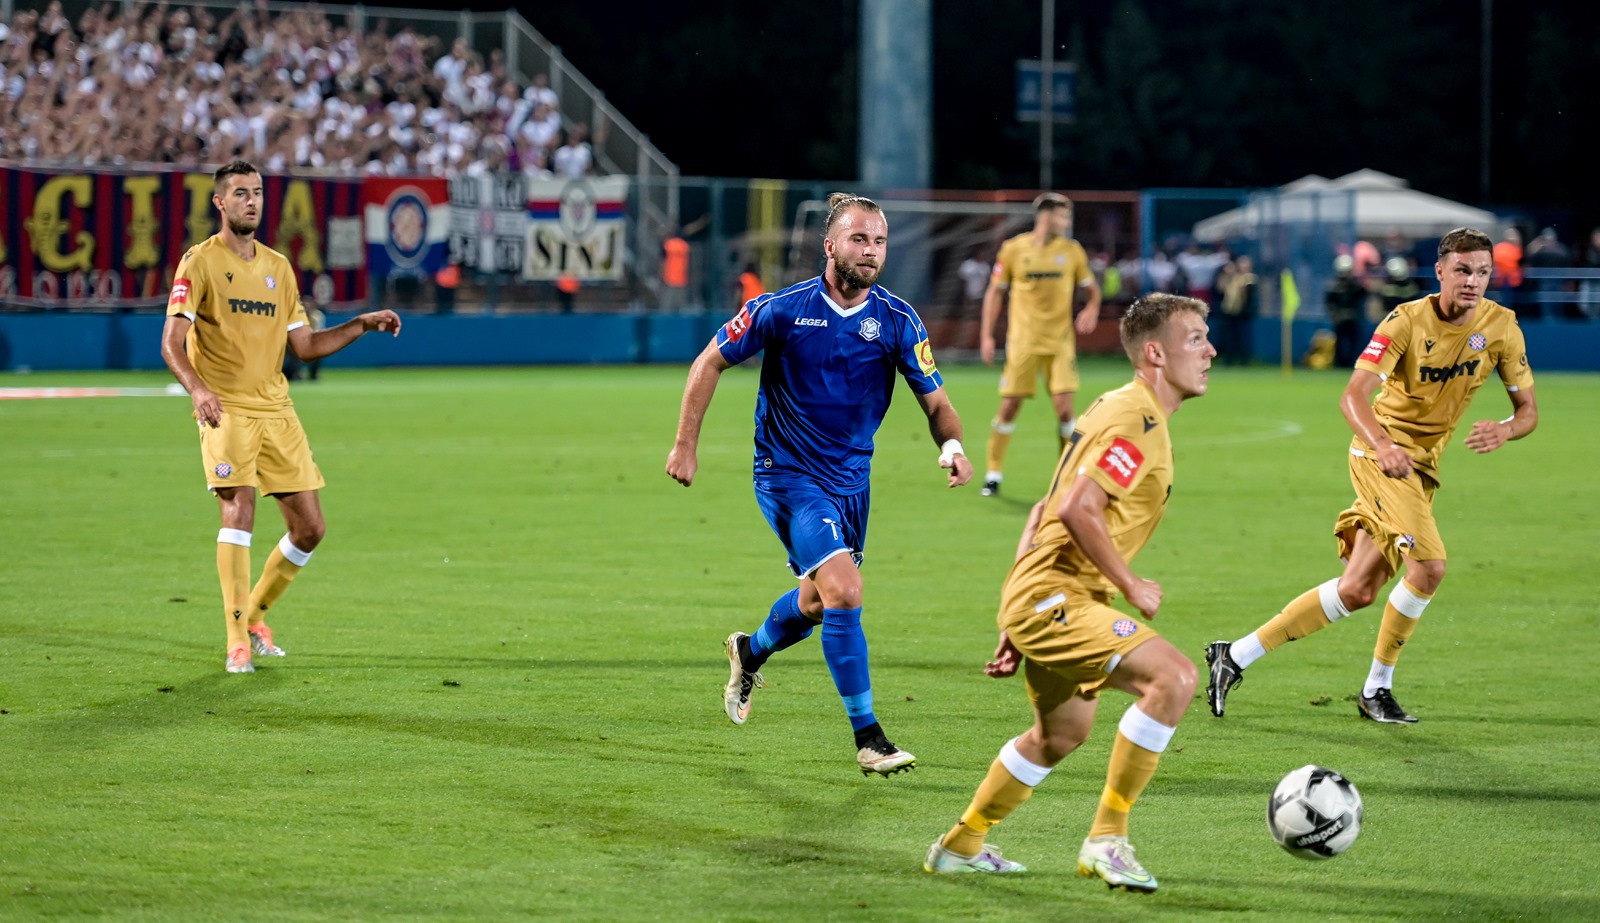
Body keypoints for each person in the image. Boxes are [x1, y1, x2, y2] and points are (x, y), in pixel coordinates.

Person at [665, 193, 974, 776]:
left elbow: (938, 403)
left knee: (817, 601)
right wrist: (685, 444)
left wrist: (952, 446)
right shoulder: (780, 310)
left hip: (851, 485)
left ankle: (748, 651)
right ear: (830, 245)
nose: (871, 252)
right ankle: (870, 737)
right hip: (787, 476)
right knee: (846, 591)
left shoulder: (899, 320)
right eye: (859, 239)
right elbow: (708, 362)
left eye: (879, 241)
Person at [922, 293, 1214, 892]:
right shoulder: (1138, 419)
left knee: (1060, 735)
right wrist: (1131, 583)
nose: (1210, 349)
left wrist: (1013, 611)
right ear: (1155, 353)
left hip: (1045, 595)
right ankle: (1108, 839)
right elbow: (1079, 508)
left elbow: (1041, 509)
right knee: (1174, 678)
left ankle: (960, 845)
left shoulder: (1120, 406)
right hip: (1059, 596)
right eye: (1195, 339)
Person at [1205, 228, 1538, 724]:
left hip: (1421, 466)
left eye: (1483, 272)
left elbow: (1528, 411)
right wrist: (1383, 444)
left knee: (1357, 590)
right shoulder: (1405, 320)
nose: (1474, 281)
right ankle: (1377, 689)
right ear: (1441, 271)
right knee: (1429, 567)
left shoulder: (1503, 327)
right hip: (1378, 454)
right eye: (1464, 270)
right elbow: (1352, 397)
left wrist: (1506, 430)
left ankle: (1233, 657)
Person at [160, 160, 402, 675]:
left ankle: (254, 616)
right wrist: (199, 390)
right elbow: (172, 343)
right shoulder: (198, 263)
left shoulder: (278, 267)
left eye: (259, 193)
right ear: (220, 203)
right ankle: (235, 643)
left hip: (277, 409)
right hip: (225, 408)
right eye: (242, 193)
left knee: (311, 528)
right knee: (239, 507)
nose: (253, 201)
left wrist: (359, 324)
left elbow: (306, 345)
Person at [978, 193, 1102, 498]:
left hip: (1060, 343)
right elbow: (994, 293)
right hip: (1023, 342)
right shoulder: (1014, 250)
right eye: (1064, 216)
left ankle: (1066, 473)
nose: (1068, 222)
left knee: (1064, 410)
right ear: (1046, 216)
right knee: (1010, 407)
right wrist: (986, 335)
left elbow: (1092, 290)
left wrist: (1091, 309)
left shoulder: (1072, 251)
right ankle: (993, 474)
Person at [1325, 254, 1369, 369]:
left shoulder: (1353, 285)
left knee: (1354, 342)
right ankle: (1339, 363)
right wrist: (1334, 316)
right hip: (1340, 318)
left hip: (1353, 318)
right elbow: (1330, 303)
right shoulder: (1334, 286)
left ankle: (1351, 363)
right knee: (1340, 342)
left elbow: (1364, 292)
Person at [1214, 254, 1257, 366]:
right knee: (1229, 337)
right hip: (1230, 311)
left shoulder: (1250, 278)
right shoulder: (1232, 278)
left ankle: (1244, 360)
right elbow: (1220, 288)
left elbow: (1248, 290)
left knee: (1243, 336)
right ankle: (1229, 359)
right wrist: (1226, 274)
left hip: (1243, 313)